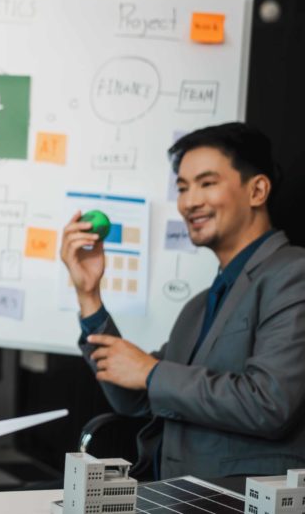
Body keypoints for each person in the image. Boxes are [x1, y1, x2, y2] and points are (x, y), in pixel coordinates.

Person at [60, 122, 305, 479]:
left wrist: (152, 371)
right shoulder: (199, 306)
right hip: (176, 496)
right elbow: (136, 397)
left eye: (207, 183)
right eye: (183, 188)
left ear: (257, 190)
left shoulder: (293, 273)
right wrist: (89, 296)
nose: (190, 202)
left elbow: (270, 403)